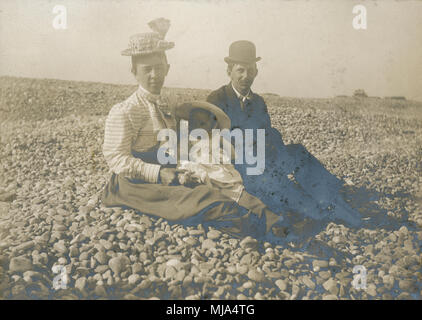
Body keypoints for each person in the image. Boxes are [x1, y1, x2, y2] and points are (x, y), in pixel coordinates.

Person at [101, 19, 286, 241]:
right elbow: (116, 159)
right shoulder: (125, 111)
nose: (154, 75)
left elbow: (185, 138)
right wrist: (159, 173)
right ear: (134, 71)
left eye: (159, 69)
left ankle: (270, 218)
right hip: (134, 182)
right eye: (147, 70)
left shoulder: (169, 103)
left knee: (222, 185)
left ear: (167, 69)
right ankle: (261, 229)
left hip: (172, 167)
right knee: (208, 201)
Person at [206, 40, 363, 236]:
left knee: (297, 152)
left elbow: (269, 135)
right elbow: (213, 145)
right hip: (240, 167)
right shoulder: (216, 99)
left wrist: (279, 158)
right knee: (283, 189)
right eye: (240, 70)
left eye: (250, 70)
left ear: (256, 72)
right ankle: (322, 211)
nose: (246, 76)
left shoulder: (259, 102)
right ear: (229, 71)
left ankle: (332, 198)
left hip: (264, 158)